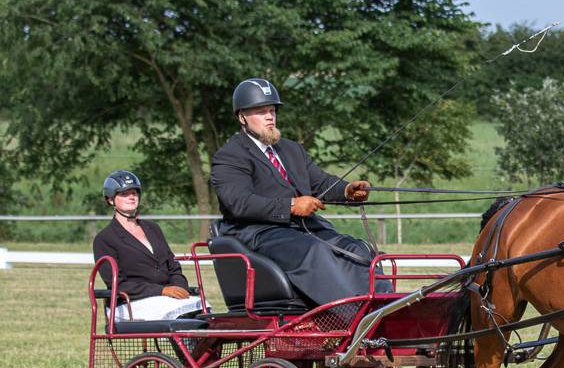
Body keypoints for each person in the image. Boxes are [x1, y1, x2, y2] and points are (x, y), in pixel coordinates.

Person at [210, 77, 387, 306]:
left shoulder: (291, 149)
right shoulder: (230, 155)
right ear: (242, 117)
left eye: (272, 110)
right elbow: (239, 203)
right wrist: (291, 206)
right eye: (261, 111)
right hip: (261, 233)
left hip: (303, 230)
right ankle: (350, 319)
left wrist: (346, 190)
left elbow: (320, 183)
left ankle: (386, 311)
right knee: (316, 252)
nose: (269, 117)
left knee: (359, 250)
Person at [93, 170, 206, 321]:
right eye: (124, 193)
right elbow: (118, 285)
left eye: (134, 192)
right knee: (179, 312)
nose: (132, 197)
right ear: (110, 200)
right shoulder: (105, 239)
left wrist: (180, 287)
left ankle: (201, 345)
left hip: (166, 298)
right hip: (129, 302)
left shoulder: (153, 228)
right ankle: (189, 344)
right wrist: (162, 290)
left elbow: (173, 265)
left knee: (204, 307)